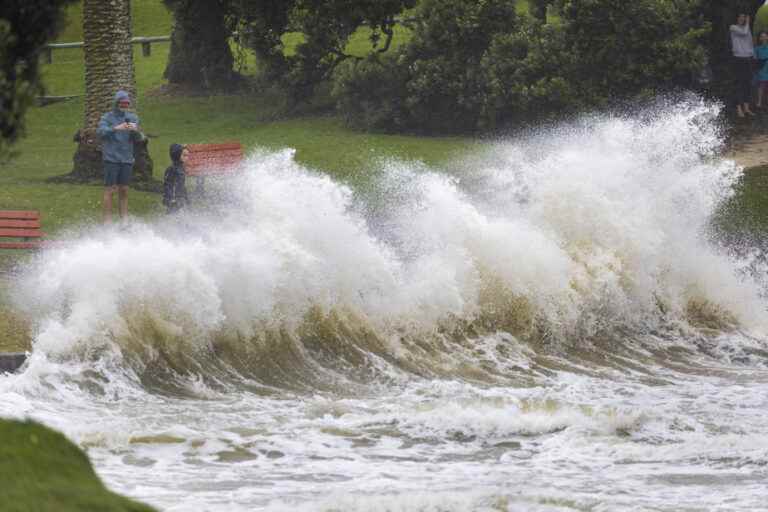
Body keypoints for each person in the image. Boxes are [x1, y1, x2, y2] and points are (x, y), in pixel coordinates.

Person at [97, 90, 144, 222]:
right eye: (122, 103)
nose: (125, 106)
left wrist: (136, 131)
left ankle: (124, 221)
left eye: (127, 103)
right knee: (110, 189)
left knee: (124, 189)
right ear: (116, 103)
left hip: (127, 158)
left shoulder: (133, 118)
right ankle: (108, 222)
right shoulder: (107, 117)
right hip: (111, 158)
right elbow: (100, 132)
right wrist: (116, 128)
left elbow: (140, 138)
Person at [730, 13, 756, 118]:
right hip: (738, 58)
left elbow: (749, 42)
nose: (742, 18)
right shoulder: (733, 27)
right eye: (740, 16)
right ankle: (738, 108)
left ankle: (746, 108)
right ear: (736, 18)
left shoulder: (747, 28)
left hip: (747, 58)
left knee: (748, 83)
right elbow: (744, 33)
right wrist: (748, 22)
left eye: (744, 17)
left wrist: (753, 55)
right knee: (739, 84)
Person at [162, 143, 189, 213]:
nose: (187, 158)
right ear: (177, 156)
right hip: (173, 199)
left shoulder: (181, 168)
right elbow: (167, 184)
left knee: (181, 214)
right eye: (184, 155)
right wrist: (171, 198)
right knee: (173, 214)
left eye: (187, 155)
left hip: (180, 198)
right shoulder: (172, 169)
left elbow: (182, 185)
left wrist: (186, 197)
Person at [756, 32, 768, 108]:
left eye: (765, 36)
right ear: (760, 38)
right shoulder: (757, 48)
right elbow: (755, 60)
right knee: (761, 86)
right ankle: (759, 102)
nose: (763, 38)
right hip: (761, 69)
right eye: (761, 37)